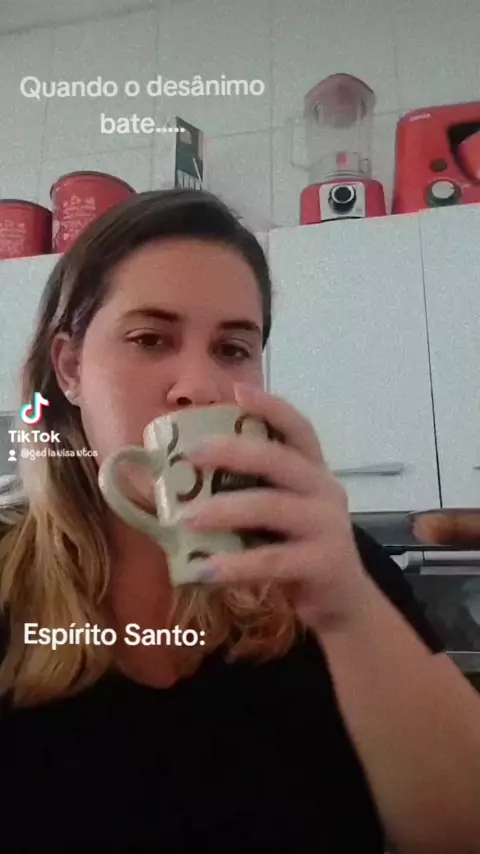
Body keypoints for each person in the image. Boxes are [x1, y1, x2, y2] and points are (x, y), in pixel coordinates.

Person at [0, 189, 479, 854]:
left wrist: (348, 610)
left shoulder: (330, 566)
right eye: (149, 339)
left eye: (231, 349)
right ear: (71, 368)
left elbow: (461, 832)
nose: (197, 386)